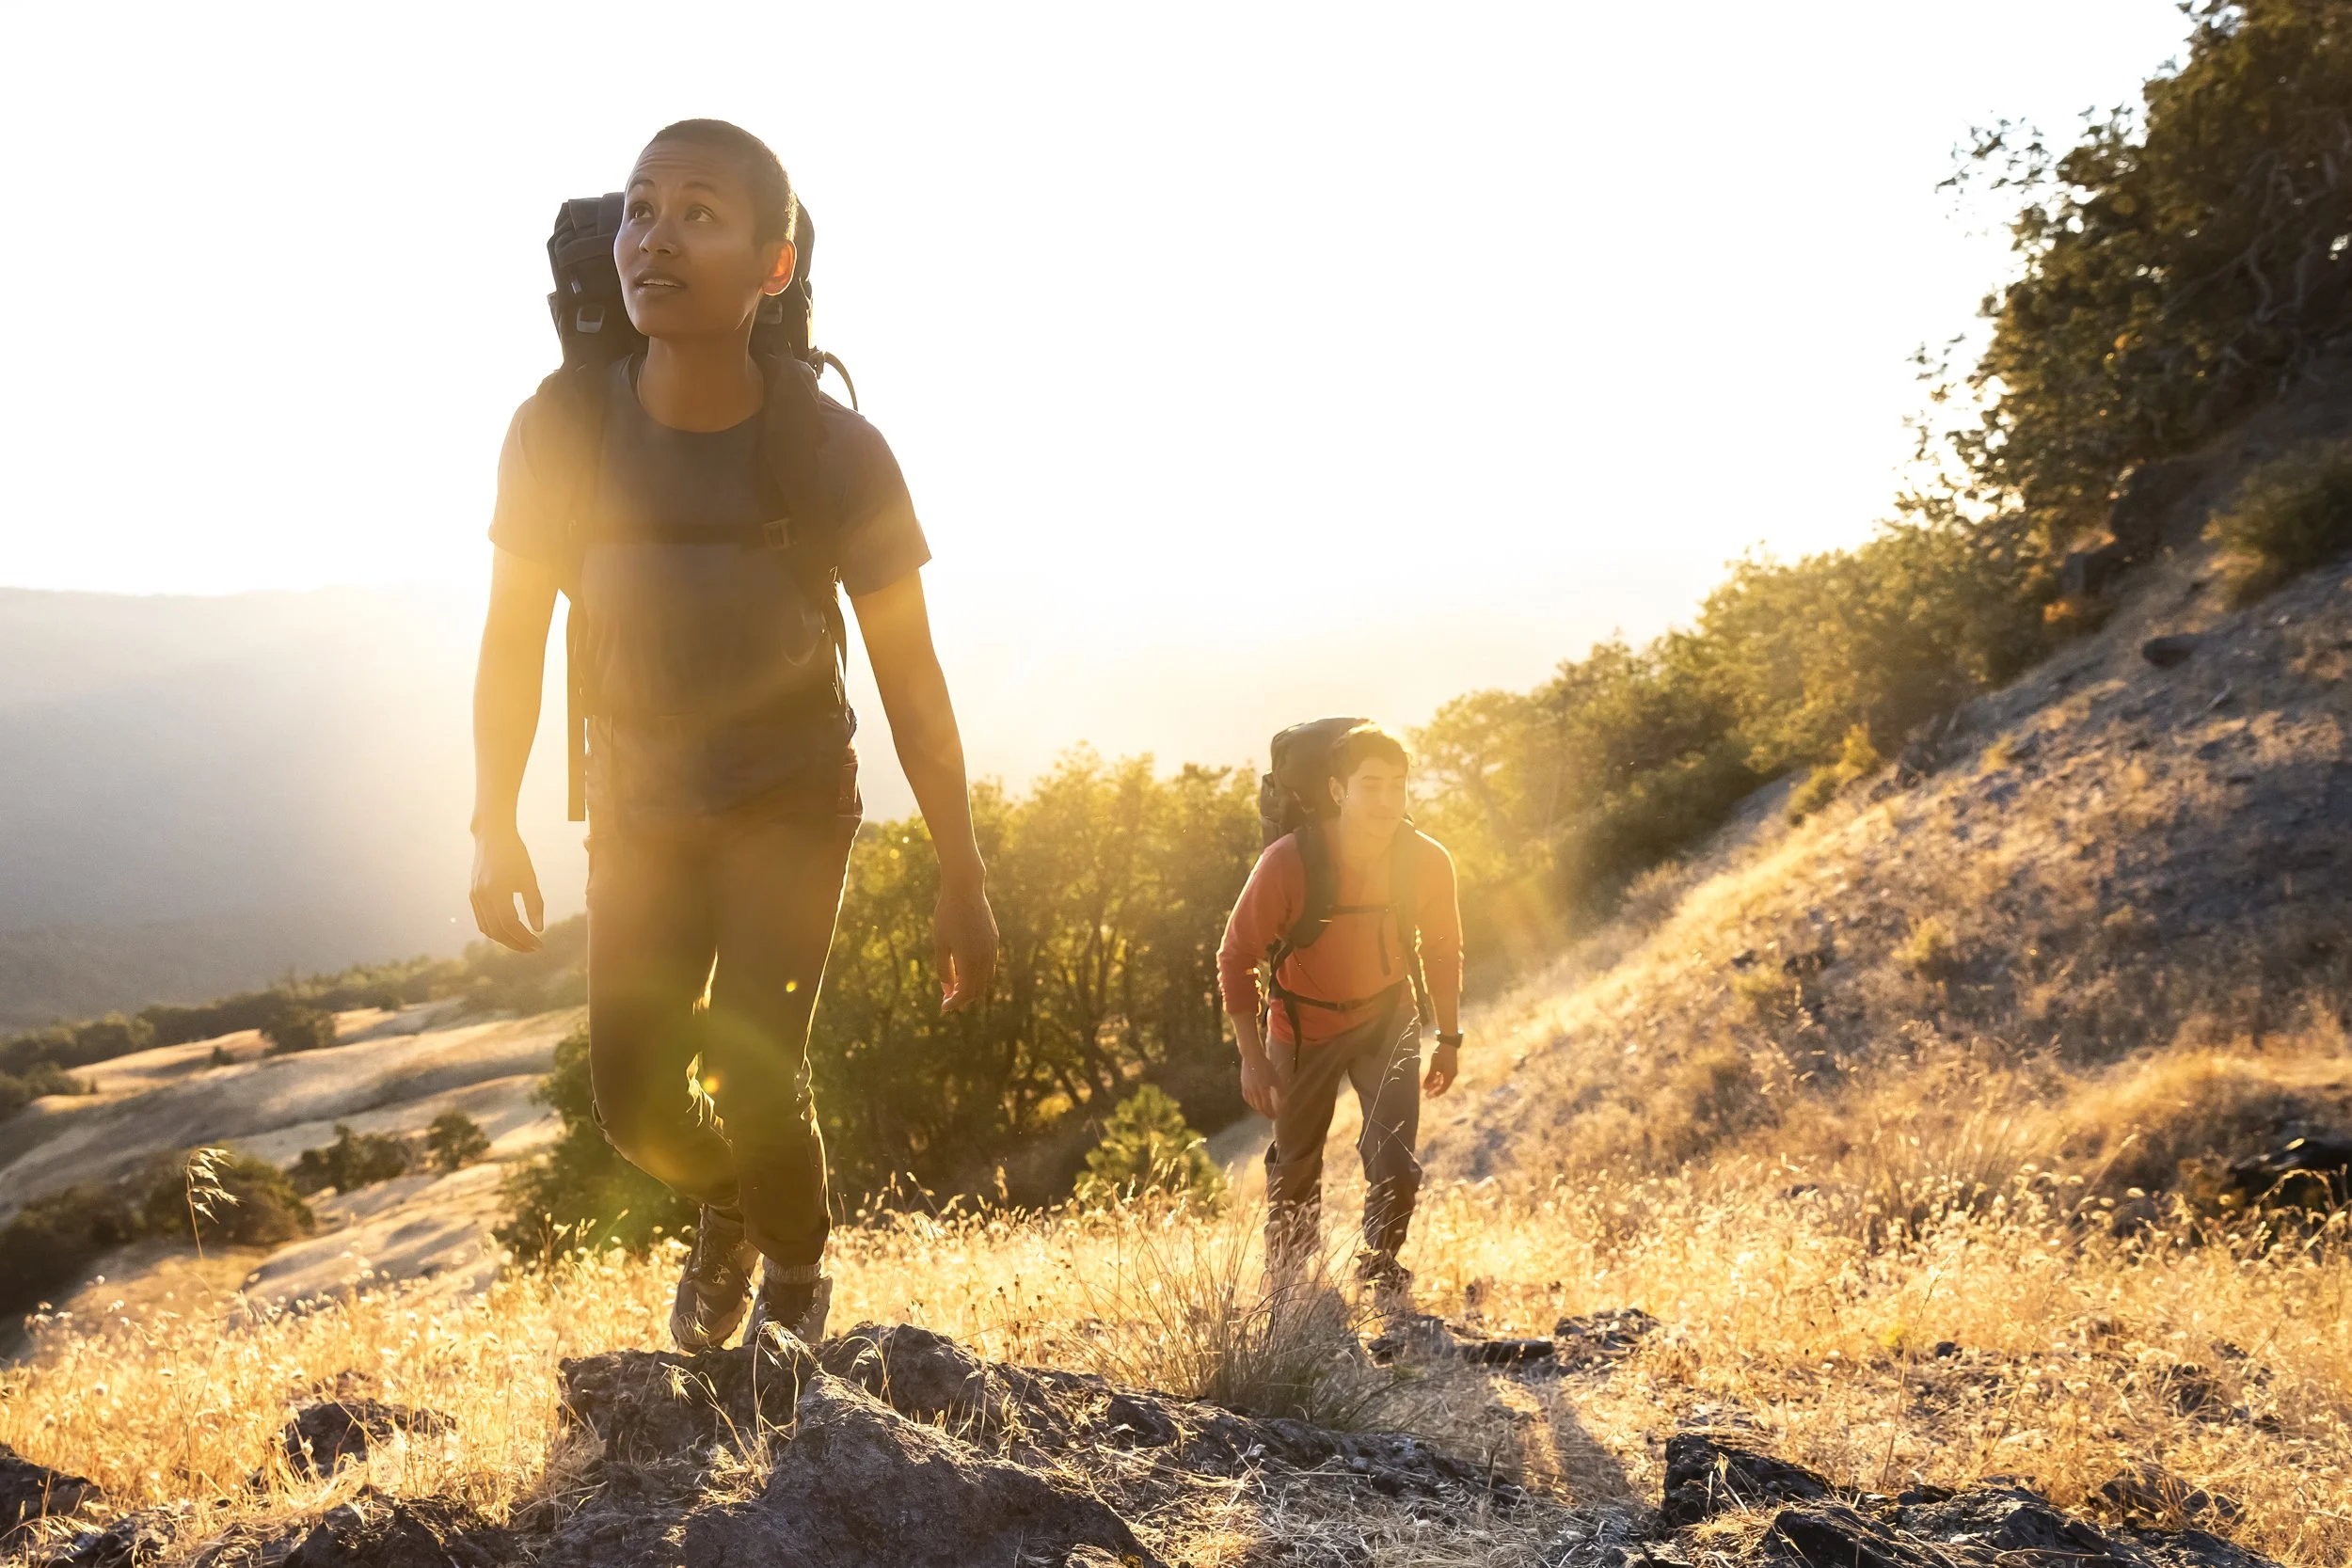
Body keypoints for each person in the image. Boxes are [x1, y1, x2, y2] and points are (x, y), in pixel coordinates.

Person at [469, 119, 997, 1350]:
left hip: (791, 802)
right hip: (639, 806)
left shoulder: (836, 451)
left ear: (773, 263)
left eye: (698, 212)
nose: (653, 236)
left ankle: (798, 1289)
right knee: (634, 1102)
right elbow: (510, 640)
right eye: (639, 208)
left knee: (759, 1069)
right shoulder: (559, 429)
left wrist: (961, 873)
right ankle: (728, 1209)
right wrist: (493, 817)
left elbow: (915, 680)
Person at [1216, 723, 1462, 1307]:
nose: (1385, 799)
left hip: (1387, 1020)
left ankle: (1379, 1269)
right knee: (1296, 1165)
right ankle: (1290, 1285)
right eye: (1370, 785)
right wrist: (1252, 1058)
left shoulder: (1426, 860)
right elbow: (1237, 955)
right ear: (1337, 790)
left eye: (1397, 786)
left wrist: (1449, 1037)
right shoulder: (1289, 861)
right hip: (1302, 1028)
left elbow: (1443, 948)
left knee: (1397, 1163)